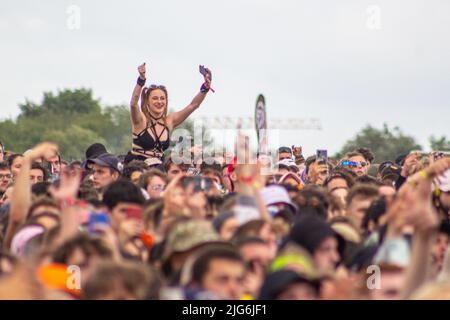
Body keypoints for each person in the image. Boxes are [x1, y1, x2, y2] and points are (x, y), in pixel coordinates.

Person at [125, 62, 213, 165]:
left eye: (162, 98)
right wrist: (141, 80)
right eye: (155, 98)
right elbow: (133, 103)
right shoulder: (141, 120)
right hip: (137, 167)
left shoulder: (169, 121)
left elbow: (193, 105)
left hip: (158, 169)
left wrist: (205, 88)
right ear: (147, 102)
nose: (159, 102)